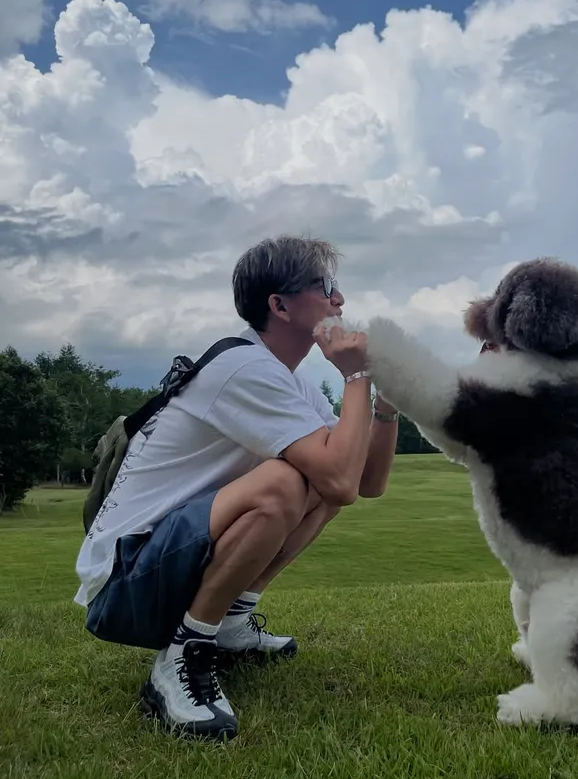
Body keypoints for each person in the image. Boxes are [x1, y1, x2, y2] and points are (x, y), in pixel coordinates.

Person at [73, 235, 399, 742]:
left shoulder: (288, 379)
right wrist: (355, 372)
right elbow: (339, 476)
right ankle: (183, 655)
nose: (340, 301)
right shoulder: (245, 368)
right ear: (280, 305)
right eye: (327, 287)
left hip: (165, 559)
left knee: (313, 480)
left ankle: (227, 622)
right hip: (124, 581)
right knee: (286, 482)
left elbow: (363, 483)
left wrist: (385, 402)